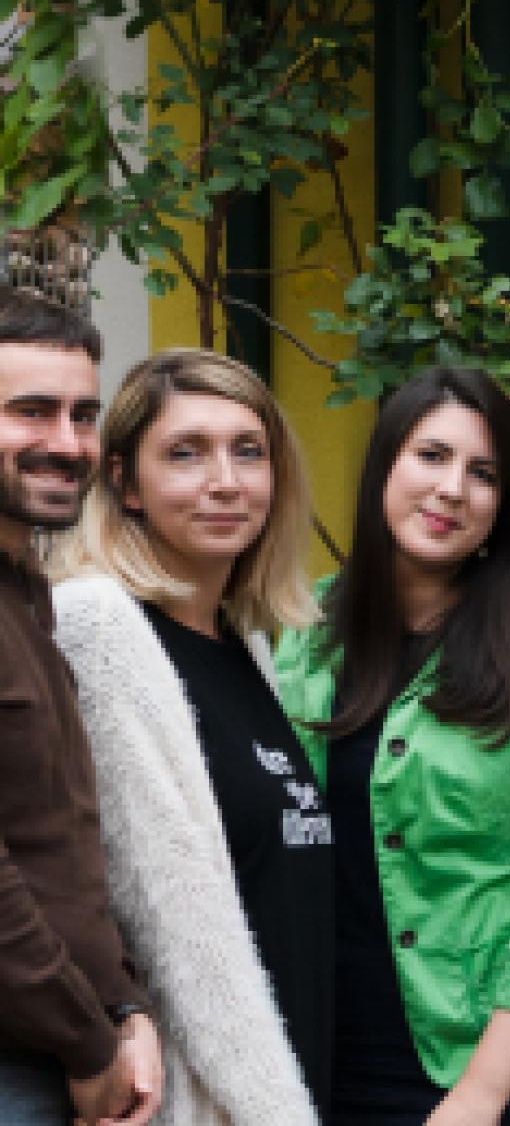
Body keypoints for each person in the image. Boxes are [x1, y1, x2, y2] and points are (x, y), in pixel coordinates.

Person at [276, 367, 510, 1124]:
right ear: (384, 466)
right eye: (430, 456)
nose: (451, 490)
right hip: (322, 1051)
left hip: (493, 1063)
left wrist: (482, 1094)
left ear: (504, 506)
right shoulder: (307, 630)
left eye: (483, 474)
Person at [51, 349, 330, 1124]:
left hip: (295, 1070)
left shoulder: (245, 644)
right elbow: (169, 918)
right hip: (203, 1097)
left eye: (249, 451)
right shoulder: (98, 629)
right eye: (185, 453)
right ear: (124, 484)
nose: (226, 481)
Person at [0, 288, 162, 1126]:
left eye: (83, 416)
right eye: (31, 412)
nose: (67, 445)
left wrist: (123, 1006)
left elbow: (61, 849)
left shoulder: (32, 596)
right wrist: (90, 1040)